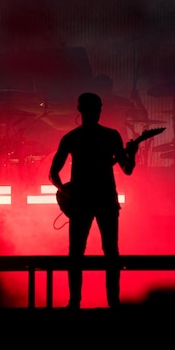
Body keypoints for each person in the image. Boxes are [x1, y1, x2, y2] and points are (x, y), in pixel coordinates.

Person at [48, 92, 138, 309]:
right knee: (108, 252)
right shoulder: (110, 136)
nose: (96, 113)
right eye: (94, 109)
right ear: (84, 111)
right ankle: (111, 303)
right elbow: (127, 169)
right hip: (103, 199)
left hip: (86, 200)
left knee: (79, 252)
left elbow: (53, 173)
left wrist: (65, 192)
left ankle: (76, 303)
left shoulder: (72, 138)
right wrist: (132, 155)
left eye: (97, 109)